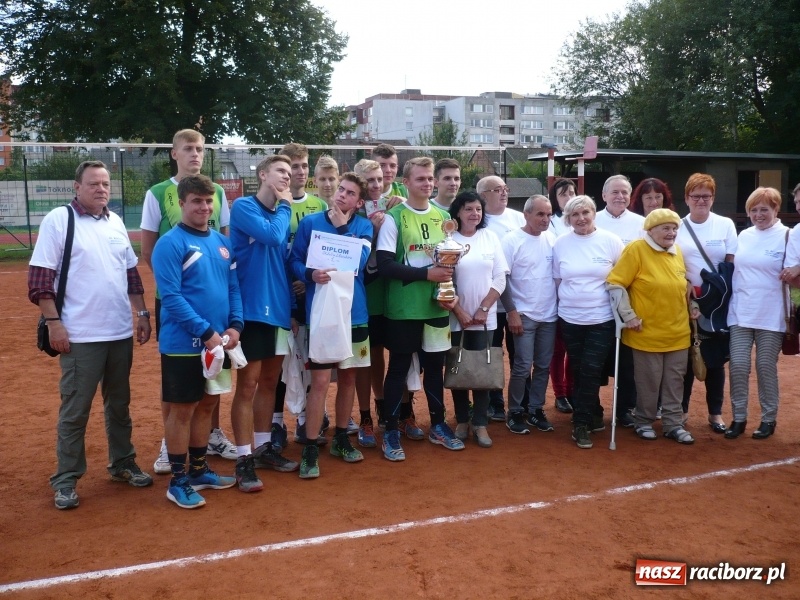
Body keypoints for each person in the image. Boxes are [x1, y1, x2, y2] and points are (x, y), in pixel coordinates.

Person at [29, 160, 153, 510]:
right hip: (80, 335)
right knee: (76, 409)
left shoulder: (115, 222)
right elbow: (39, 279)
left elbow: (130, 274)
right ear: (77, 187)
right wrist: (54, 323)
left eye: (105, 184)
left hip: (119, 332)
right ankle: (66, 479)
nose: (101, 189)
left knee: (119, 405)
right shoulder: (60, 219)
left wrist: (142, 313)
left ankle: (123, 463)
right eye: (93, 183)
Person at [140, 129, 235, 474]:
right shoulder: (157, 193)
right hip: (177, 302)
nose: (195, 154)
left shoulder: (218, 192)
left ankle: (210, 437)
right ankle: (172, 446)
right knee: (179, 386)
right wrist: (179, 285)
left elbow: (223, 252)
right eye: (189, 148)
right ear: (174, 153)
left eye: (200, 149)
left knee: (210, 383)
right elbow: (148, 249)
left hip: (213, 308)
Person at [151, 175, 242, 508]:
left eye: (208, 201)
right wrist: (206, 333)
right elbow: (172, 297)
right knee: (182, 411)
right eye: (197, 201)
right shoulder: (170, 243)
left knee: (207, 405)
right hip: (183, 345)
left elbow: (233, 288)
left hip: (218, 342)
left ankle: (199, 470)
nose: (204, 207)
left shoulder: (222, 242)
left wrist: (236, 325)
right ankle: (177, 481)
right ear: (182, 203)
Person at [376, 156, 463, 460]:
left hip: (436, 307)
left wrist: (449, 286)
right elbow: (385, 265)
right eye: (420, 179)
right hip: (404, 308)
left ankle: (438, 425)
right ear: (406, 182)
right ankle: (390, 430)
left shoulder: (444, 216)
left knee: (435, 369)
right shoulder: (394, 217)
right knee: (399, 368)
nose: (427, 184)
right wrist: (427, 275)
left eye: (430, 179)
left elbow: (449, 260)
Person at [289, 173, 373, 477]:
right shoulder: (310, 223)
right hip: (322, 314)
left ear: (359, 202)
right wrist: (309, 275)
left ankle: (340, 438)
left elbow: (358, 263)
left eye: (350, 193)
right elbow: (294, 261)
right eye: (341, 189)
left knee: (348, 378)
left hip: (355, 315)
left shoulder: (363, 227)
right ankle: (311, 447)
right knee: (321, 382)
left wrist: (341, 228)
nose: (342, 195)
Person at [229, 155, 300, 493]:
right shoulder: (244, 207)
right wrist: (286, 205)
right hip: (253, 309)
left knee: (270, 382)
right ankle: (243, 458)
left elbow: (284, 260)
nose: (287, 176)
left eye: (290, 172)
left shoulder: (280, 215)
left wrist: (293, 308)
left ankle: (262, 448)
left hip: (278, 310)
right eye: (280, 171)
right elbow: (271, 236)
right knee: (248, 385)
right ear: (262, 174)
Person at [606, 209, 698, 444]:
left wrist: (693, 304)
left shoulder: (677, 252)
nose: (672, 233)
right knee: (648, 381)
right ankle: (644, 421)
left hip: (678, 332)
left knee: (675, 381)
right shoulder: (636, 249)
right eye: (666, 228)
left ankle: (673, 424)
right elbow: (615, 283)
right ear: (651, 230)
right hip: (645, 332)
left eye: (674, 228)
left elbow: (682, 284)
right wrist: (629, 316)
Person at [352, 159, 416, 445]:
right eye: (370, 181)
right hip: (368, 296)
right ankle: (370, 414)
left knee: (403, 354)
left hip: (397, 294)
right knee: (369, 356)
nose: (377, 184)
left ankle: (404, 410)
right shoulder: (353, 216)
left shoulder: (398, 205)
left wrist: (401, 209)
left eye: (379, 179)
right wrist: (372, 230)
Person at [552, 195, 624, 449]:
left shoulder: (611, 241)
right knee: (578, 368)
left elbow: (622, 278)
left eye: (585, 213)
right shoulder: (561, 244)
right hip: (570, 318)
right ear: (568, 219)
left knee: (591, 369)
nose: (581, 218)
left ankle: (580, 423)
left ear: (594, 213)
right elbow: (558, 280)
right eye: (575, 214)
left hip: (601, 318)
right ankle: (593, 410)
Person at [274, 143, 332, 451]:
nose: (299, 171)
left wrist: (306, 280)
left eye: (303, 165)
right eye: (293, 166)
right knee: (278, 361)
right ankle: (275, 422)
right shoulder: (273, 204)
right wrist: (288, 284)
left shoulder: (319, 205)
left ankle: (305, 419)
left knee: (309, 358)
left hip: (308, 293)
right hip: (278, 293)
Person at [675, 173, 737, 433]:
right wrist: (685, 285)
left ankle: (715, 414)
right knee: (687, 356)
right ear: (687, 198)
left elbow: (730, 263)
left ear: (713, 198)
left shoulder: (725, 224)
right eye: (696, 196)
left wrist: (720, 293)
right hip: (687, 300)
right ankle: (682, 411)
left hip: (718, 302)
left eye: (706, 196)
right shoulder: (677, 226)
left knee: (715, 359)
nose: (701, 200)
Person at [725, 187, 788, 440]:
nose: (758, 215)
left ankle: (768, 418)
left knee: (765, 366)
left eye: (764, 209)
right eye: (753, 210)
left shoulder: (788, 236)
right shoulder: (743, 235)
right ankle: (738, 417)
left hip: (772, 314)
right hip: (741, 311)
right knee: (738, 365)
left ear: (776, 209)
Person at [447, 191, 509, 447]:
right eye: (468, 209)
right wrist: (459, 311)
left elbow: (500, 277)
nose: (474, 214)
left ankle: (481, 424)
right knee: (459, 369)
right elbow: (445, 282)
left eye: (478, 209)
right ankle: (462, 420)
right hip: (456, 319)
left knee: (483, 371)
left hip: (486, 320)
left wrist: (484, 309)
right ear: (458, 212)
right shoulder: (449, 240)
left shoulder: (490, 237)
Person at [500, 195, 558, 436]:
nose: (545, 219)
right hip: (523, 314)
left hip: (550, 315)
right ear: (526, 215)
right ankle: (515, 411)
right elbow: (502, 278)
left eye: (549, 214)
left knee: (543, 366)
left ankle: (535, 409)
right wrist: (512, 312)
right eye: (540, 214)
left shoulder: (552, 239)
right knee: (522, 366)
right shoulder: (511, 240)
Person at [594, 174, 645, 428]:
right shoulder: (591, 220)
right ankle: (592, 408)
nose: (620, 196)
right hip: (596, 303)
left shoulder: (642, 224)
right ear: (604, 195)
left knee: (627, 362)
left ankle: (624, 409)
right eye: (615, 192)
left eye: (625, 192)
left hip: (631, 303)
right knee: (597, 360)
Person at [477, 175, 526, 422]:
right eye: (497, 189)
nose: (504, 193)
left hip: (520, 302)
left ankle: (522, 404)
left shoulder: (519, 218)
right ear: (483, 195)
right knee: (492, 355)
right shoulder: (478, 221)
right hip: (488, 305)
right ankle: (494, 404)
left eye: (505, 188)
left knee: (520, 355)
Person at [547, 178, 575, 414]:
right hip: (553, 294)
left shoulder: (584, 221)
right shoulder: (549, 223)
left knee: (574, 349)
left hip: (577, 297)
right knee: (558, 349)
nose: (568, 198)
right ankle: (560, 393)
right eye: (563, 194)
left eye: (572, 193)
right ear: (554, 199)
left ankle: (573, 390)